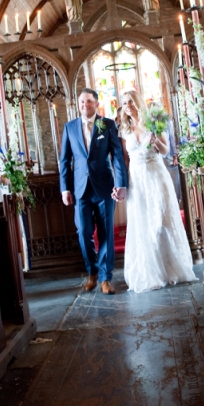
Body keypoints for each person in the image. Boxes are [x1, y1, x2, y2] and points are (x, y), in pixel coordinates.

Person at [118, 90, 195, 292]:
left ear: (138, 102)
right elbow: (125, 160)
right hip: (137, 180)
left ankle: (170, 269)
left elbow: (166, 150)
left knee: (161, 221)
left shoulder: (153, 122)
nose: (128, 105)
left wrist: (155, 141)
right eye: (125, 102)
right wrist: (122, 184)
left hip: (155, 174)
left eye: (131, 101)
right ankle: (151, 272)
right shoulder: (124, 129)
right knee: (143, 222)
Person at [59, 88, 128, 294]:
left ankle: (106, 278)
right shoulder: (70, 127)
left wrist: (121, 183)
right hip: (80, 190)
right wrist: (65, 189)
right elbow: (64, 160)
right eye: (81, 101)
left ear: (96, 104)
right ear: (78, 104)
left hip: (104, 187)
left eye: (89, 101)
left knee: (106, 232)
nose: (84, 105)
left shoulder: (106, 125)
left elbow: (116, 155)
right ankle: (92, 273)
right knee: (83, 232)